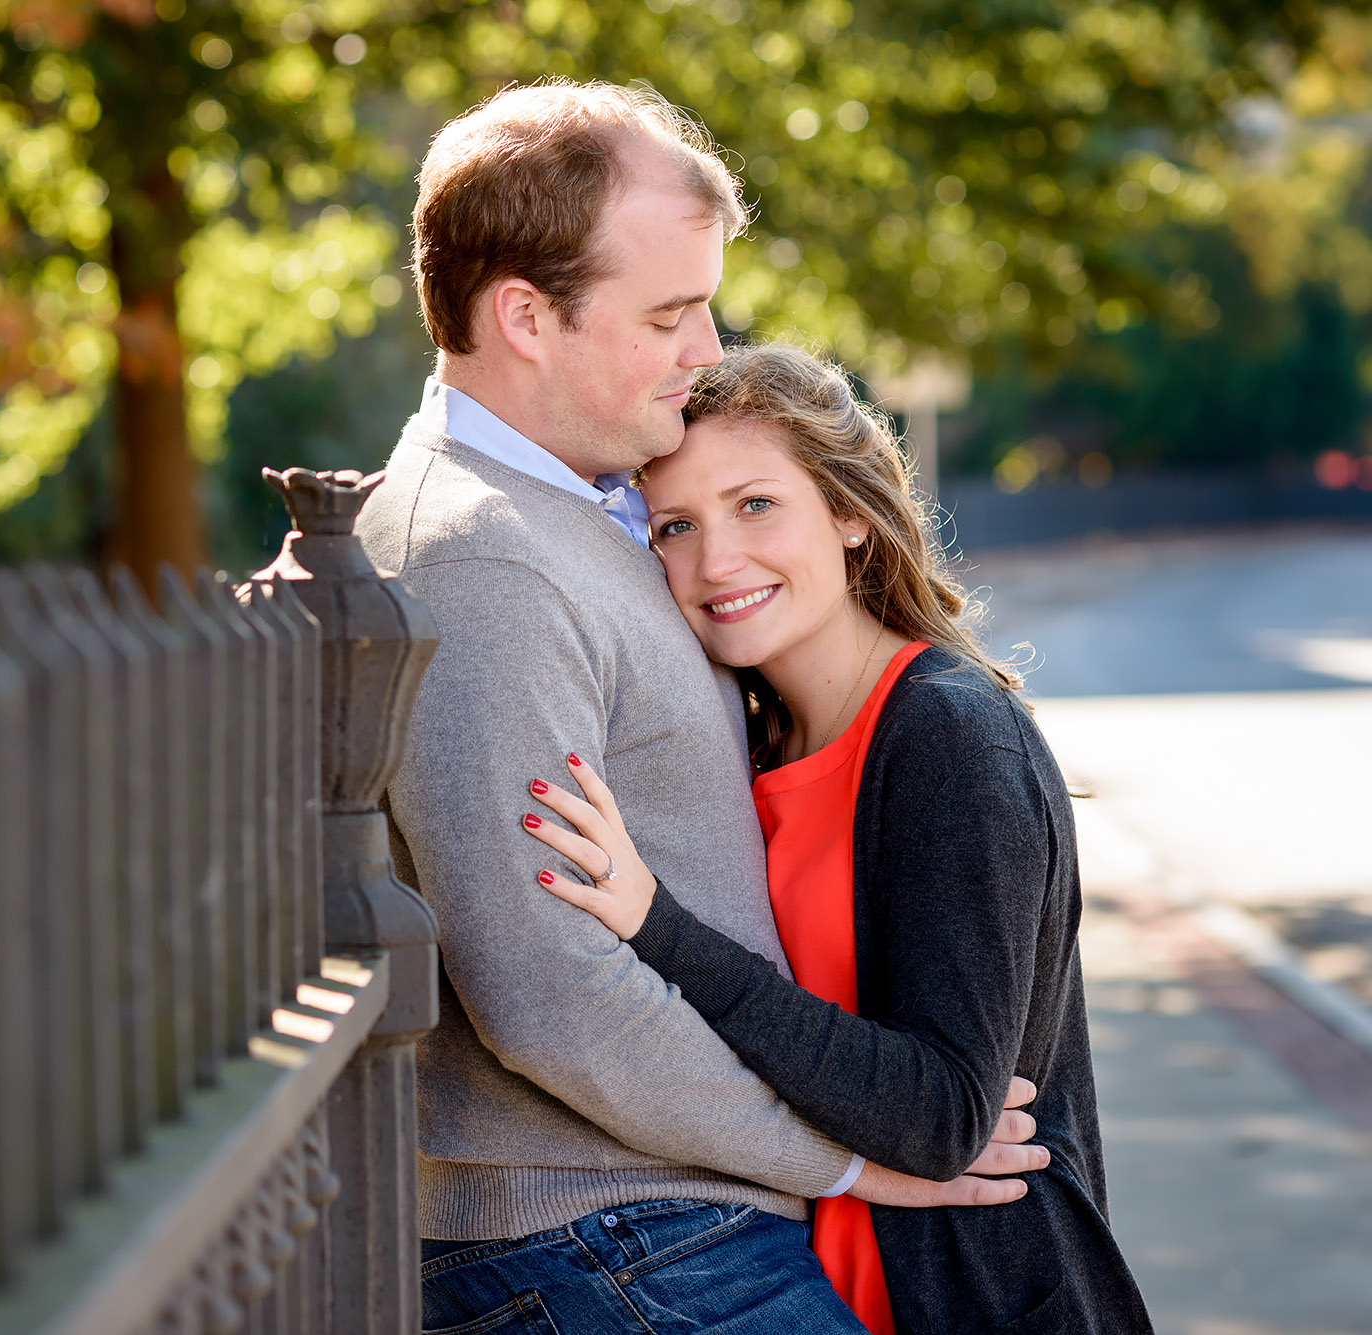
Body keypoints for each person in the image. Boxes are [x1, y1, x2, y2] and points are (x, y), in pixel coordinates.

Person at [356, 80, 1044, 1335]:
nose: (706, 350)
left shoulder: (581, 515)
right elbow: (547, 991)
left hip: (671, 1229)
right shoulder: (484, 557)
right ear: (523, 315)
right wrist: (844, 1162)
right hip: (607, 1242)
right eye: (669, 312)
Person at [520, 342, 1154, 1333]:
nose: (714, 560)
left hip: (969, 1298)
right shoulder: (755, 744)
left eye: (754, 505)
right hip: (806, 1284)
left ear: (849, 514)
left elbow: (941, 1116)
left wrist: (661, 928)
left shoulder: (946, 736)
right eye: (674, 525)